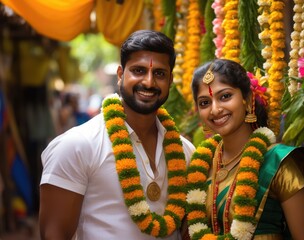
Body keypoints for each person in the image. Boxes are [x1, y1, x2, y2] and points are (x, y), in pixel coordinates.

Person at [39, 30, 195, 240]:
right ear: (121, 75)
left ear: (170, 80)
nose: (149, 82)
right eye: (139, 71)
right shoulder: (78, 145)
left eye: (159, 73)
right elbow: (54, 234)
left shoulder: (185, 151)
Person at [185, 59, 304, 240]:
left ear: (247, 100)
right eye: (204, 102)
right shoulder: (200, 165)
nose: (215, 109)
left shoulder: (278, 162)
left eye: (225, 96)